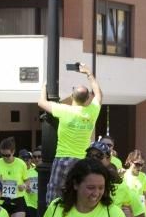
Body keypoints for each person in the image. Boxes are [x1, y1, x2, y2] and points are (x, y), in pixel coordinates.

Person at [37, 63, 102, 202]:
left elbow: (41, 102)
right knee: (76, 195)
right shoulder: (92, 112)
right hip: (81, 160)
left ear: (72, 97)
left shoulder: (64, 110)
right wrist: (88, 74)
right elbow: (99, 94)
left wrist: (44, 86)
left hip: (63, 158)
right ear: (87, 100)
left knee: (54, 195)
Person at [21, 149, 39, 217]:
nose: (26, 160)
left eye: (28, 159)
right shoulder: (25, 171)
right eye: (24, 159)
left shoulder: (36, 170)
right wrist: (25, 187)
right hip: (28, 201)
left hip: (37, 201)